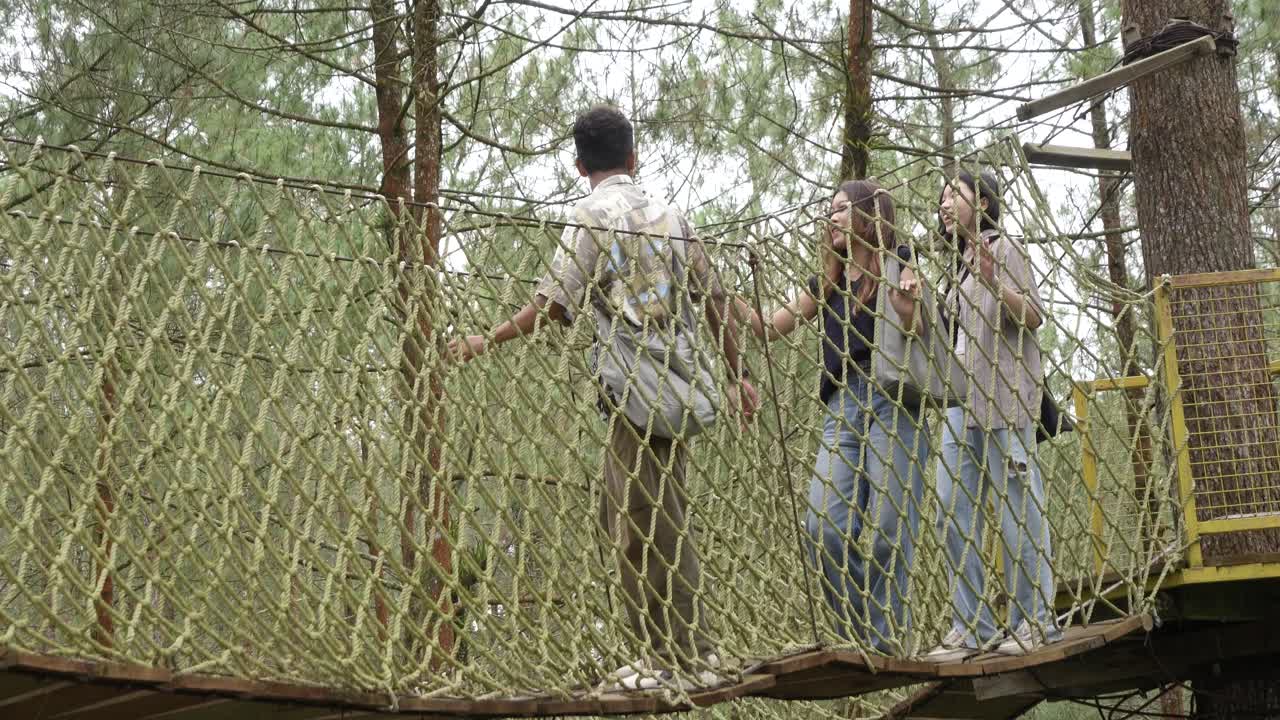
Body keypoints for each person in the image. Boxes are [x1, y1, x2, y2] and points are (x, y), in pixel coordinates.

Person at [448, 106, 759, 690]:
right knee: (638, 514)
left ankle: (679, 657)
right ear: (634, 158)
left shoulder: (589, 216)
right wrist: (739, 374)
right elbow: (716, 299)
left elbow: (553, 304)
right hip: (680, 385)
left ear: (578, 164)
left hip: (633, 393)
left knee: (645, 525)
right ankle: (679, 651)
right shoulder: (673, 216)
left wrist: (484, 339)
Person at [737, 179, 928, 655]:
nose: (831, 218)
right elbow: (765, 329)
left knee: (887, 531)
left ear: (868, 215)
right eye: (830, 211)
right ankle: (859, 635)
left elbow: (915, 323)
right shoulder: (829, 282)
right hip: (843, 403)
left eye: (841, 209)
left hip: (892, 398)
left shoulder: (896, 261)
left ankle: (884, 640)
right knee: (824, 526)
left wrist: (907, 302)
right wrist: (715, 291)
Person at [925, 169, 1061, 661]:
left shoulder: (1003, 249)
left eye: (953, 194)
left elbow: (1034, 315)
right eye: (940, 196)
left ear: (981, 204)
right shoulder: (955, 267)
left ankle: (1035, 622)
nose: (943, 203)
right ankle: (973, 625)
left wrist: (994, 282)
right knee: (949, 505)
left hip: (1006, 402)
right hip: (963, 406)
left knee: (1017, 513)